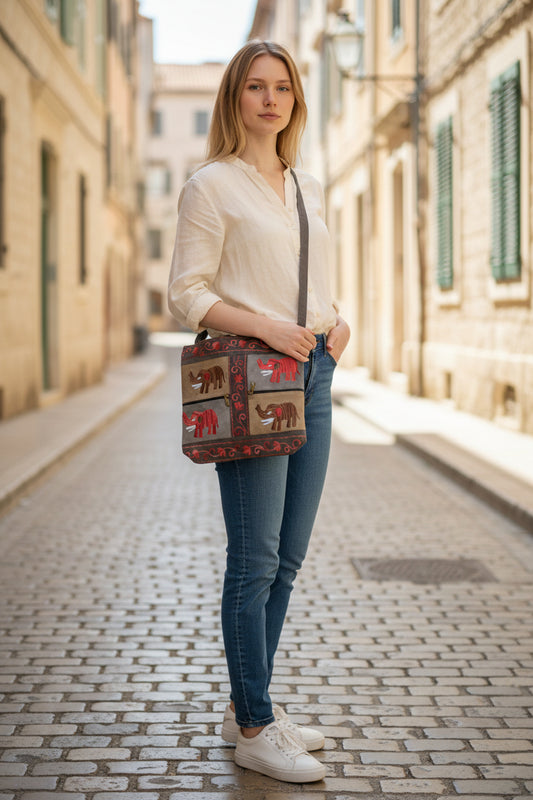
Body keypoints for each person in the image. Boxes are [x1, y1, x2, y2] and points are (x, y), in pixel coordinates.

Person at [168, 39, 350, 784]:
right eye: (254, 87)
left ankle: (254, 701)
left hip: (313, 372)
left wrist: (336, 321)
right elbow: (185, 293)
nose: (269, 99)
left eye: (281, 87)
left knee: (289, 557)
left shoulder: (306, 185)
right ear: (234, 99)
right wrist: (265, 326)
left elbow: (309, 279)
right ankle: (252, 725)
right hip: (253, 374)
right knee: (254, 560)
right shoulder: (211, 185)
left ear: (294, 100)